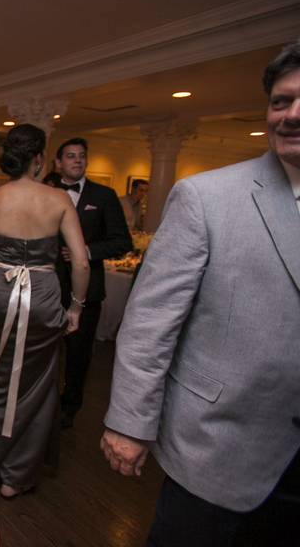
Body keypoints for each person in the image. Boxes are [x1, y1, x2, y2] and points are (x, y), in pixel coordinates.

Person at [101, 42, 300, 547]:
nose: (291, 115)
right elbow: (150, 323)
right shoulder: (207, 197)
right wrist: (129, 422)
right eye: (281, 102)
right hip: (220, 443)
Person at [0, 124, 90, 499]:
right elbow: (81, 263)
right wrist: (76, 307)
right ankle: (15, 475)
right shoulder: (59, 200)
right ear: (40, 158)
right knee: (38, 385)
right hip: (41, 298)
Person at [53, 137, 132, 429]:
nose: (77, 161)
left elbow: (121, 242)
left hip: (88, 291)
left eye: (82, 156)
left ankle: (69, 409)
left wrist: (84, 251)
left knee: (79, 354)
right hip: (50, 287)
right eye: (70, 156)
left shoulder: (104, 196)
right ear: (58, 163)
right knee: (47, 351)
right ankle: (43, 405)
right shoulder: (48, 194)